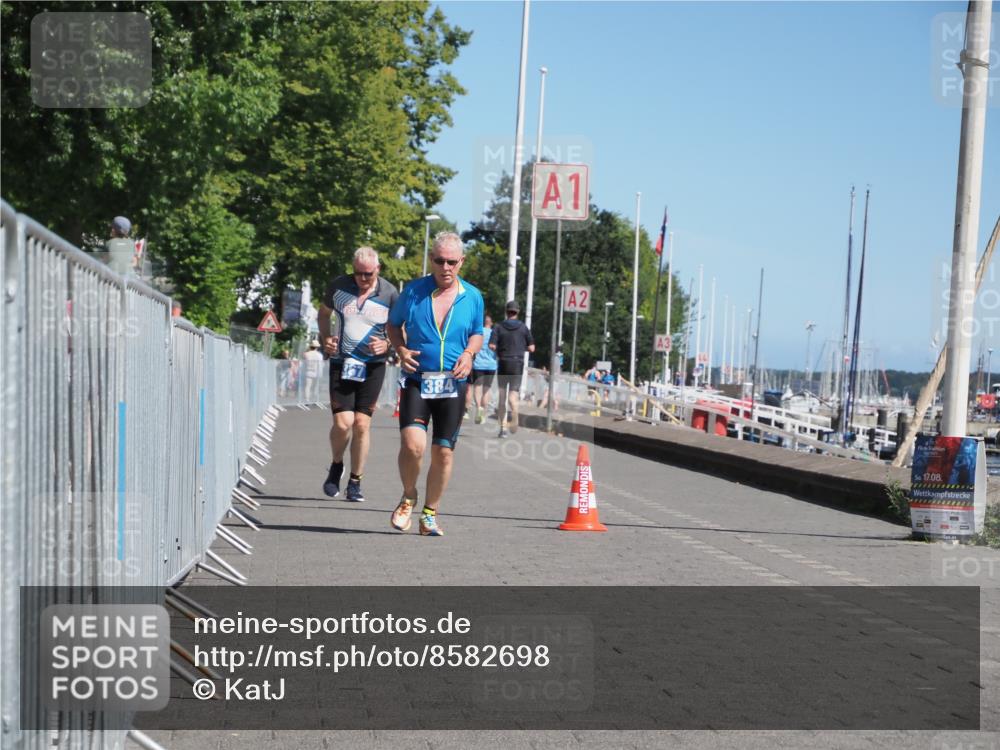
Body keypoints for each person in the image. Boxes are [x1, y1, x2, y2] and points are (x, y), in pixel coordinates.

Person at [386, 232, 484, 536]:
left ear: (461, 262)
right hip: (417, 380)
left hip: (453, 384)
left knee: (443, 452)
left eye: (451, 262)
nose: (445, 267)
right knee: (413, 445)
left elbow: (477, 332)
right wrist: (400, 349)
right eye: (439, 261)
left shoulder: (473, 296)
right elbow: (392, 325)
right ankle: (408, 495)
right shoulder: (413, 292)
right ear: (432, 260)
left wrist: (469, 353)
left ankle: (429, 513)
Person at [318, 247, 399, 502]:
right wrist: (325, 339)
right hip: (342, 362)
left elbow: (398, 327)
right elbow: (323, 314)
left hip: (373, 365)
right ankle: (336, 464)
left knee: (362, 424)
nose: (362, 279)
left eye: (368, 274)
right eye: (358, 274)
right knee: (343, 424)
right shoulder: (339, 287)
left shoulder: (390, 293)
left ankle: (356, 481)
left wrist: (388, 344)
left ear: (378, 270)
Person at [489, 300, 535, 438]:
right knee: (513, 397)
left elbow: (491, 345)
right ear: (518, 312)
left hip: (503, 363)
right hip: (517, 364)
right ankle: (514, 416)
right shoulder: (523, 328)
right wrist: (521, 348)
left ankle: (502, 429)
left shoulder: (498, 327)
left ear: (506, 312)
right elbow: (532, 348)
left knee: (502, 397)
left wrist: (499, 348)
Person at [468, 313, 498, 424]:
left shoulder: (478, 332)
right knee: (487, 389)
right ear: (491, 323)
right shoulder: (495, 333)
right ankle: (483, 411)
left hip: (478, 364)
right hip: (491, 364)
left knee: (477, 388)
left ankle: (479, 408)